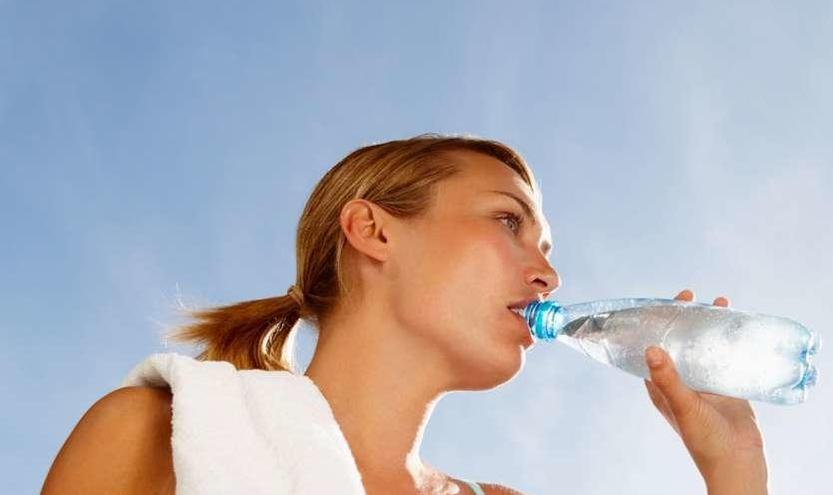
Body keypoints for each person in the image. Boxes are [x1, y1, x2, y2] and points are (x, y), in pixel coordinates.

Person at [41, 134, 769, 494]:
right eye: (508, 221)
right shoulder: (155, 435)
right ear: (375, 232)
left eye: (545, 248)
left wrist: (734, 468)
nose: (548, 273)